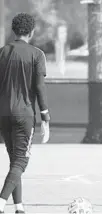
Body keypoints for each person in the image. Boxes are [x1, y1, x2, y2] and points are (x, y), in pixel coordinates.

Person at [0, 13, 50, 213]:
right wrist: (45, 115)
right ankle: (2, 201)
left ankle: (19, 207)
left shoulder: (2, 53)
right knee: (21, 161)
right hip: (24, 114)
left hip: (3, 115)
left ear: (14, 31)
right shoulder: (36, 54)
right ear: (32, 31)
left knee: (14, 161)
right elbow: (39, 87)